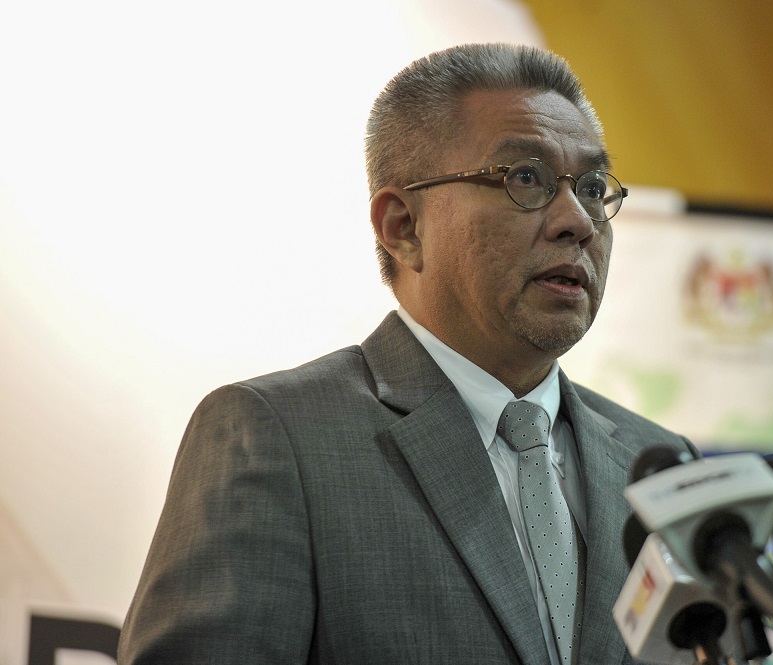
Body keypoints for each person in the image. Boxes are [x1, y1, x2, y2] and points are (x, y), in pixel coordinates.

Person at [117, 42, 697, 665]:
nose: (577, 221)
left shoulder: (657, 467)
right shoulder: (277, 439)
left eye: (590, 187)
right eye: (525, 178)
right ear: (402, 227)